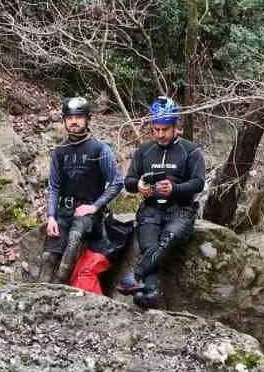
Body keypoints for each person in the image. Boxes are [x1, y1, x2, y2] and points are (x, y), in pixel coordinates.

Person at [117, 96, 205, 309]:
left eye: (165, 129)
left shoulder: (191, 151)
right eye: (156, 129)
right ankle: (151, 292)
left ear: (176, 127)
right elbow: (128, 182)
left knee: (168, 239)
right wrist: (139, 186)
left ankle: (136, 275)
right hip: (151, 208)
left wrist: (175, 189)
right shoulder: (144, 151)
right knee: (149, 246)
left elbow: (198, 183)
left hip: (181, 210)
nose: (160, 134)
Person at [40, 96, 123, 281]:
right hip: (64, 212)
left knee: (74, 241)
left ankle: (61, 288)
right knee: (48, 257)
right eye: (70, 118)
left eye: (78, 117)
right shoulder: (59, 151)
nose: (74, 122)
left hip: (90, 214)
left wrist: (95, 207)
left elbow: (117, 182)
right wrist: (51, 217)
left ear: (87, 119)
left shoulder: (100, 149)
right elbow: (54, 186)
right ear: (64, 121)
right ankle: (39, 292)